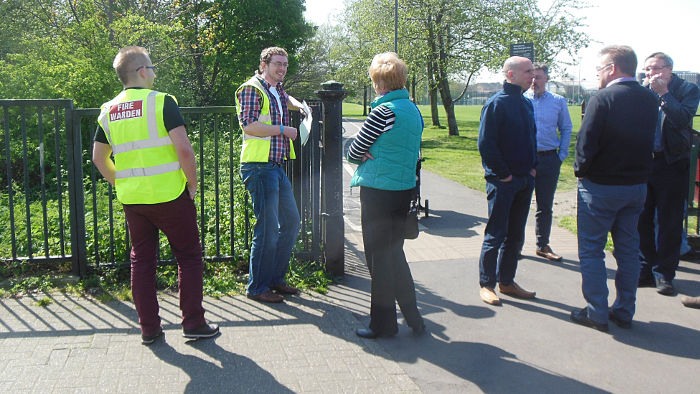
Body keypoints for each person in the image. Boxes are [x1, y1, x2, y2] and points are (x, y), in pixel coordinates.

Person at [92, 46, 219, 345]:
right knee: (188, 257)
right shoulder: (162, 102)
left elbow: (99, 158)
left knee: (142, 261)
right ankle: (193, 323)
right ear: (141, 72)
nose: (155, 73)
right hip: (170, 195)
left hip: (134, 200)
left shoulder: (108, 110)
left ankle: (149, 329)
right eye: (152, 67)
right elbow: (184, 150)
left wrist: (120, 183)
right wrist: (192, 185)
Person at [571, 45, 658, 331]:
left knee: (592, 249)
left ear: (612, 68)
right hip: (636, 187)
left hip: (601, 187)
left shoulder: (602, 99)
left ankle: (597, 312)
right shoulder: (650, 99)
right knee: (628, 250)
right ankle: (624, 310)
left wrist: (581, 173)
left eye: (599, 69)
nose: (597, 74)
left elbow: (586, 145)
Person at [347, 52, 425, 338]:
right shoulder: (413, 110)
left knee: (379, 261)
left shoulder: (383, 111)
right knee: (394, 255)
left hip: (378, 192)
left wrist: (368, 154)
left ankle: (383, 325)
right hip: (403, 190)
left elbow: (354, 151)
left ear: (379, 83)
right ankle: (414, 318)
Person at [236, 47, 303, 303]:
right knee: (267, 230)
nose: (282, 68)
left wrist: (300, 106)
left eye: (285, 64)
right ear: (263, 64)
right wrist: (284, 130)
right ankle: (257, 288)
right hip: (258, 166)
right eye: (277, 64)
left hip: (274, 166)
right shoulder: (252, 88)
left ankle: (275, 279)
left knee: (291, 222)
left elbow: (285, 98)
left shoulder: (274, 88)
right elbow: (250, 125)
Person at [637, 52, 700, 296]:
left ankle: (664, 273)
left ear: (669, 69)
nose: (651, 74)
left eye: (655, 69)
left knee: (670, 222)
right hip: (644, 163)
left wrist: (664, 94)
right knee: (642, 218)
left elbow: (683, 118)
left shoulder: (687, 89)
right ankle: (645, 269)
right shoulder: (643, 91)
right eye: (647, 69)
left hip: (672, 163)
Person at [476, 56, 538, 306]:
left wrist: (533, 169)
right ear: (510, 74)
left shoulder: (525, 103)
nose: (532, 75)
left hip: (525, 180)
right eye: (527, 71)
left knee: (516, 235)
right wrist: (504, 174)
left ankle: (507, 281)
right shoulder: (496, 104)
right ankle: (487, 284)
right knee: (496, 234)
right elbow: (486, 144)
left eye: (533, 70)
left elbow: (531, 139)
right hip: (503, 182)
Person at [524, 63, 573, 262]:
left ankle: (542, 244)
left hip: (549, 158)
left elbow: (567, 128)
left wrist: (561, 156)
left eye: (539, 77)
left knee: (545, 206)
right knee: (520, 204)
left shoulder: (558, 101)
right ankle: (514, 246)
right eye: (532, 76)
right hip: (526, 160)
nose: (534, 80)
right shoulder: (523, 100)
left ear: (547, 79)